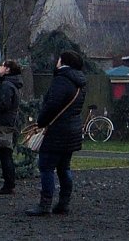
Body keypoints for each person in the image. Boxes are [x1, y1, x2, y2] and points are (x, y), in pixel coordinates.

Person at [26, 51, 87, 216]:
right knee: (64, 168)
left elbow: (52, 105)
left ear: (63, 61)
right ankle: (63, 203)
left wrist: (41, 122)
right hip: (73, 130)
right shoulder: (80, 82)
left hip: (57, 131)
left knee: (46, 167)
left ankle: (45, 205)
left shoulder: (61, 80)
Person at [0, 59, 23, 194]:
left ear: (8, 69)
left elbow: (4, 105)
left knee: (5, 155)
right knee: (6, 154)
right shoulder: (12, 84)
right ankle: (10, 183)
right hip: (10, 122)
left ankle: (9, 184)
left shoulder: (7, 86)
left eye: (2, 66)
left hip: (5, 123)